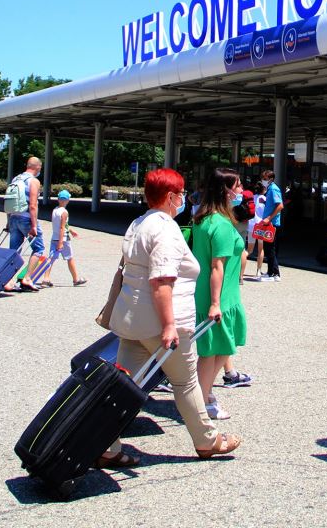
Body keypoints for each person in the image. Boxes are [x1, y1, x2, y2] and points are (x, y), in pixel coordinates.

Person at [103, 167, 241, 467]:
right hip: (163, 320)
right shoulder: (165, 228)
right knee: (186, 382)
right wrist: (168, 326)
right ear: (169, 197)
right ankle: (208, 440)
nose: (182, 199)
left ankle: (105, 444)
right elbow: (162, 281)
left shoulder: (138, 223)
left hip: (133, 320)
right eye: (179, 194)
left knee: (122, 387)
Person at [192, 168, 251, 420]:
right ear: (226, 191)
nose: (241, 191)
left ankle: (201, 396)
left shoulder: (203, 219)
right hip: (221, 297)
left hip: (211, 293)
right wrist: (216, 303)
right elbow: (218, 266)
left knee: (216, 348)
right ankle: (200, 401)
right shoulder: (223, 225)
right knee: (215, 351)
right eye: (237, 186)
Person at [2, 157, 44, 292]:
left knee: (14, 251)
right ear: (37, 167)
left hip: (13, 217)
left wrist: (8, 221)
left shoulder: (16, 179)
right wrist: (33, 225)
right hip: (26, 218)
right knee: (38, 249)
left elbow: (10, 201)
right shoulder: (34, 181)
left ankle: (7, 281)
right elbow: (33, 205)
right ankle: (27, 278)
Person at [46, 189, 88, 286]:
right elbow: (62, 227)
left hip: (54, 237)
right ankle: (76, 279)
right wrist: (61, 242)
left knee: (51, 259)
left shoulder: (55, 210)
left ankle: (46, 278)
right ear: (67, 200)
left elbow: (62, 225)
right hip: (63, 239)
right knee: (70, 258)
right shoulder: (64, 212)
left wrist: (71, 230)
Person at [256, 169, 283, 281]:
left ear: (271, 179)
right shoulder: (270, 189)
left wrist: (269, 218)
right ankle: (272, 272)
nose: (263, 181)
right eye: (263, 179)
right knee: (269, 248)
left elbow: (280, 206)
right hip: (270, 222)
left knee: (270, 248)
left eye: (265, 179)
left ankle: (274, 274)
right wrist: (265, 202)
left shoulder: (273, 189)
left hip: (271, 223)